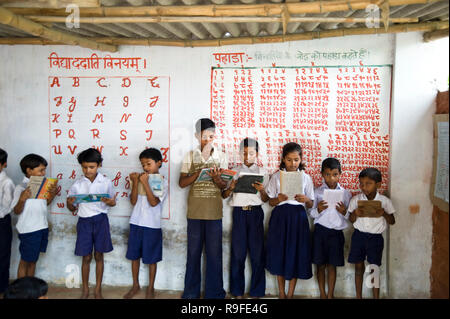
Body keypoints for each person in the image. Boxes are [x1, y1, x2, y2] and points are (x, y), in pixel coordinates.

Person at [179, 118, 228, 299]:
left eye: (211, 136)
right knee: (193, 254)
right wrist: (197, 175)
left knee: (214, 255)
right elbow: (182, 183)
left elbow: (224, 186)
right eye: (203, 136)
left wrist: (217, 179)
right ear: (196, 136)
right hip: (195, 212)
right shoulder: (190, 156)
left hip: (214, 213)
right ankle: (191, 294)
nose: (207, 139)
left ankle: (214, 294)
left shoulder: (222, 156)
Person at [265, 142, 314, 299]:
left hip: (298, 219)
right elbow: (270, 202)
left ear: (301, 159)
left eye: (296, 160)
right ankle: (281, 293)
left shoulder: (306, 178)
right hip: (280, 218)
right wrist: (278, 199)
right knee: (280, 253)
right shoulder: (276, 176)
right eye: (289, 160)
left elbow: (311, 203)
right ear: (283, 159)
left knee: (296, 253)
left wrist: (306, 199)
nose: (293, 164)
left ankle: (291, 294)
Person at [222, 138, 269, 299]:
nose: (247, 156)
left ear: (256, 153)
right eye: (244, 153)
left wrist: (262, 190)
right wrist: (231, 188)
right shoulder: (233, 171)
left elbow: (265, 199)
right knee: (238, 254)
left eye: (251, 153)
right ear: (240, 153)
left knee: (257, 255)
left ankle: (257, 292)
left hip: (255, 213)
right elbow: (224, 195)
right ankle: (237, 292)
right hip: (239, 214)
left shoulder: (263, 172)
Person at [66, 148, 117, 299]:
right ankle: (86, 289)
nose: (87, 170)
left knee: (99, 255)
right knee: (86, 257)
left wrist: (110, 202)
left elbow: (113, 202)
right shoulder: (77, 184)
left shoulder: (106, 182)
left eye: (91, 167)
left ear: (99, 165)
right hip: (84, 222)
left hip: (101, 220)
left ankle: (98, 289)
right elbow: (71, 208)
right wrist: (70, 203)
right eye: (84, 167)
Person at [124, 148, 168, 299]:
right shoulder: (140, 178)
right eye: (143, 165)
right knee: (134, 256)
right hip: (136, 222)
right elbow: (133, 201)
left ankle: (151, 288)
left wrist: (145, 182)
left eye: (148, 164)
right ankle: (135, 285)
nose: (145, 168)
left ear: (159, 163)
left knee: (152, 258)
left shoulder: (161, 181)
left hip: (152, 225)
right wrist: (136, 182)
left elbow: (154, 202)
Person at [347, 167, 395, 299]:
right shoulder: (356, 200)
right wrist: (355, 214)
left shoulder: (384, 201)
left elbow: (392, 221)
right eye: (361, 184)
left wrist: (383, 213)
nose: (364, 187)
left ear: (378, 184)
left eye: (368, 183)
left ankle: (376, 297)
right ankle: (358, 296)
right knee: (358, 267)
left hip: (375, 239)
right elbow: (351, 220)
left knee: (374, 269)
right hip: (359, 236)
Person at [309, 158, 352, 299]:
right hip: (320, 232)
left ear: (340, 174)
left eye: (335, 174)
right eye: (327, 174)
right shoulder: (317, 192)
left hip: (336, 234)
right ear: (322, 174)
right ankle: (322, 294)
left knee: (332, 265)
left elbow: (349, 217)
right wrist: (319, 209)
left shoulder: (346, 194)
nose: (331, 178)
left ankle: (330, 295)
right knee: (320, 265)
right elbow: (312, 214)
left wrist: (344, 211)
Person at [11, 154, 57, 279]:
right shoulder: (20, 188)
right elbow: (16, 211)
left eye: (44, 170)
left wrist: (51, 195)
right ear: (29, 170)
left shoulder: (43, 185)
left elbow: (44, 204)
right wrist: (22, 199)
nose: (43, 173)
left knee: (33, 260)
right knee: (25, 261)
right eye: (40, 170)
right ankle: (22, 290)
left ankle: (30, 289)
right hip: (29, 229)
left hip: (41, 227)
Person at [0, 148, 15, 294]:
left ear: (3, 164)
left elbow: (7, 206)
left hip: (2, 222)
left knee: (2, 255)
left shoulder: (6, 182)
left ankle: (3, 286)